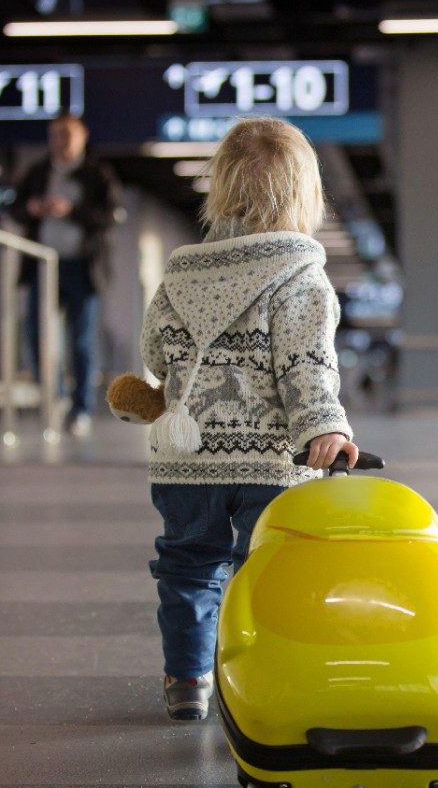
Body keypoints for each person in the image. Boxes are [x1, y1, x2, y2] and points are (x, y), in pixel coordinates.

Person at [139, 117, 357, 721]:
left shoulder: (181, 273)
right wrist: (324, 427)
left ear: (222, 190)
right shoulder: (301, 276)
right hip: (270, 460)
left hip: (185, 462)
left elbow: (154, 355)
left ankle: (187, 680)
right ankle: (269, 678)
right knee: (273, 572)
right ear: (304, 192)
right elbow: (307, 366)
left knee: (186, 565)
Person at [12, 112, 121, 437]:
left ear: (82, 137)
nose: (61, 141)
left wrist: (71, 211)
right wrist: (31, 209)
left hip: (82, 268)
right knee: (36, 335)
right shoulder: (38, 173)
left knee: (81, 340)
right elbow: (14, 206)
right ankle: (56, 395)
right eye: (55, 135)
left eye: (67, 134)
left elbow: (111, 216)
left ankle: (81, 408)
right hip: (43, 267)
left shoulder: (97, 175)